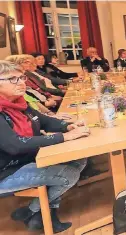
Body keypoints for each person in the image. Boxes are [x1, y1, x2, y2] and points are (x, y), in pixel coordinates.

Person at [0, 60, 90, 233]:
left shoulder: (18, 103)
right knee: (69, 175)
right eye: (12, 79)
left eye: (21, 77)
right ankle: (38, 213)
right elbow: (15, 145)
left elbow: (43, 120)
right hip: (6, 171)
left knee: (78, 158)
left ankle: (34, 212)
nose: (21, 82)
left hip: (27, 159)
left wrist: (66, 126)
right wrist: (63, 137)